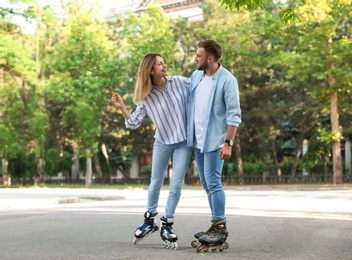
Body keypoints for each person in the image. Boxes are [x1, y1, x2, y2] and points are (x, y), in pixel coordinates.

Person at [111, 53, 192, 249]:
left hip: (184, 141)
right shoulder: (146, 97)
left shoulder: (180, 82)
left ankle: (167, 223)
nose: (164, 66)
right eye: (159, 64)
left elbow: (201, 90)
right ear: (150, 70)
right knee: (155, 182)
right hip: (163, 141)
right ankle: (149, 220)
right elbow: (132, 124)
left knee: (176, 183)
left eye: (164, 62)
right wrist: (122, 107)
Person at [187, 40, 242, 249]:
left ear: (210, 58)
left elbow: (234, 115)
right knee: (207, 183)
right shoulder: (196, 76)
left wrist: (227, 143)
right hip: (198, 141)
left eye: (199, 55)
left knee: (214, 182)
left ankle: (220, 227)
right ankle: (215, 225)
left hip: (216, 141)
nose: (195, 58)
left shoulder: (227, 80)